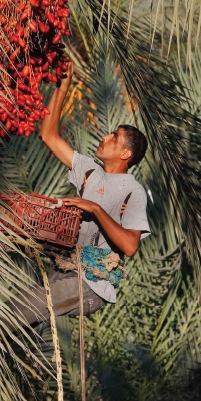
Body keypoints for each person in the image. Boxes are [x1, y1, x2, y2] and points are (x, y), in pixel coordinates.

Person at [14, 59, 151, 323]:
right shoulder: (88, 170)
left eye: (114, 137)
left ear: (125, 153)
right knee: (18, 321)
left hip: (90, 285)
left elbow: (131, 246)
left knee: (15, 312)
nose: (105, 137)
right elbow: (49, 136)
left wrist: (96, 209)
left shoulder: (133, 192)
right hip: (64, 271)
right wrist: (63, 86)